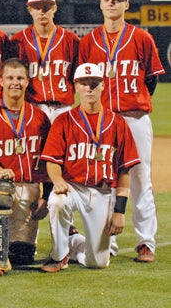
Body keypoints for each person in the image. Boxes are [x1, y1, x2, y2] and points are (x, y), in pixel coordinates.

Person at [78, 0, 165, 263]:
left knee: (140, 178)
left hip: (134, 117)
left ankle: (146, 242)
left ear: (126, 5)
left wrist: (133, 103)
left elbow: (151, 79)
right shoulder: (89, 42)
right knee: (105, 179)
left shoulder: (142, 37)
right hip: (102, 121)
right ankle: (108, 242)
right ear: (100, 5)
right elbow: (82, 82)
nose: (111, 3)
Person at [40, 63, 139, 272]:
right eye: (83, 84)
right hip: (72, 187)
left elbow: (124, 170)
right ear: (75, 86)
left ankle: (74, 242)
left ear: (103, 85)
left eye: (94, 83)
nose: (89, 89)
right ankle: (59, 256)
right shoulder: (63, 121)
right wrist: (57, 181)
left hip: (102, 192)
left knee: (98, 262)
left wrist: (119, 211)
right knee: (57, 202)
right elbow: (52, 161)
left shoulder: (118, 123)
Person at [0, 58, 50, 276]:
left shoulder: (40, 117)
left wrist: (47, 196)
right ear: (1, 81)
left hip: (30, 187)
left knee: (22, 255)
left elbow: (49, 160)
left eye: (20, 78)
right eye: (10, 78)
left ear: (27, 82)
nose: (15, 82)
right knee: (1, 191)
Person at [10, 0, 79, 122]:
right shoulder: (18, 41)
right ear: (30, 10)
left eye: (46, 8)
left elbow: (76, 76)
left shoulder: (71, 40)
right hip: (33, 107)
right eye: (36, 8)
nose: (41, 12)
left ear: (54, 9)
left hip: (63, 108)